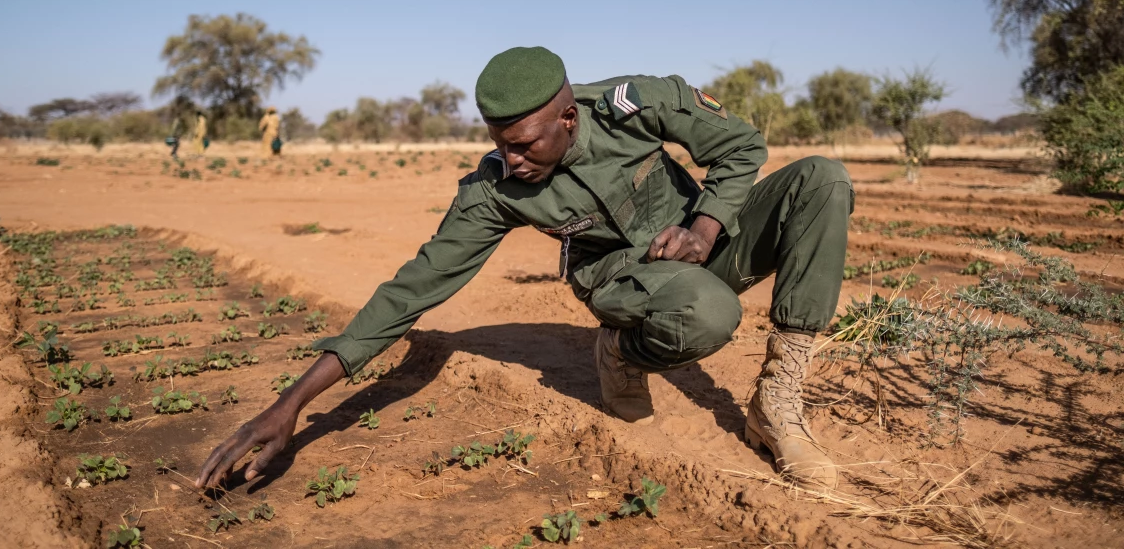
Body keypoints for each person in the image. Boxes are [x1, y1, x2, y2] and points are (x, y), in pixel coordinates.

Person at [197, 47, 853, 492]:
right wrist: (292, 406)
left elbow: (741, 144)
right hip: (623, 276)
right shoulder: (493, 191)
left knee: (821, 179)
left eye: (522, 144)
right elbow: (410, 291)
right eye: (497, 144)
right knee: (709, 313)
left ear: (568, 118)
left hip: (702, 241)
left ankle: (777, 403)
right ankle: (622, 352)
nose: (509, 160)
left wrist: (704, 225)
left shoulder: (633, 105)